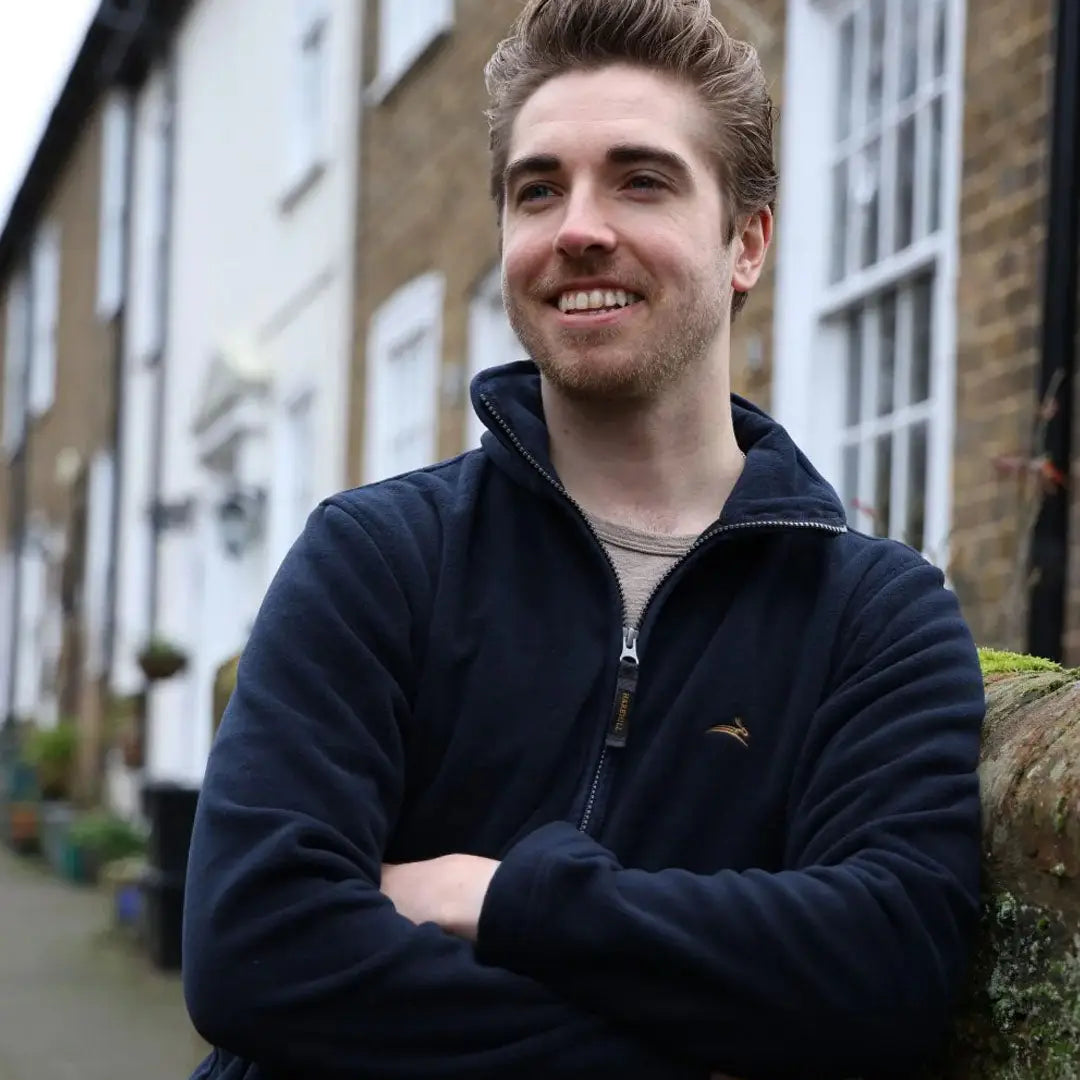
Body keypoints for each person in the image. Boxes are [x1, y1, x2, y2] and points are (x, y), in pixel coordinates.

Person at [181, 1, 986, 1077]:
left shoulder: (875, 620)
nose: (577, 228)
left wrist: (506, 896)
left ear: (746, 242)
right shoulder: (376, 558)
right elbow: (253, 949)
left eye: (641, 180)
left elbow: (885, 965)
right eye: (539, 189)